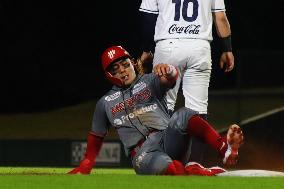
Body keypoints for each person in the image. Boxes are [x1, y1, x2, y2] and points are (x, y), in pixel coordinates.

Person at [68, 46, 243, 176]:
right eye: (115, 68)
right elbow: (96, 136)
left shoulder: (149, 80)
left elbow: (171, 79)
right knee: (173, 170)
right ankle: (194, 170)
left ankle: (225, 149)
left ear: (132, 63)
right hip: (144, 153)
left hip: (168, 138)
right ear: (109, 75)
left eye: (125, 64)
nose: (122, 70)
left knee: (183, 114)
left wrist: (169, 70)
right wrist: (86, 164)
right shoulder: (104, 103)